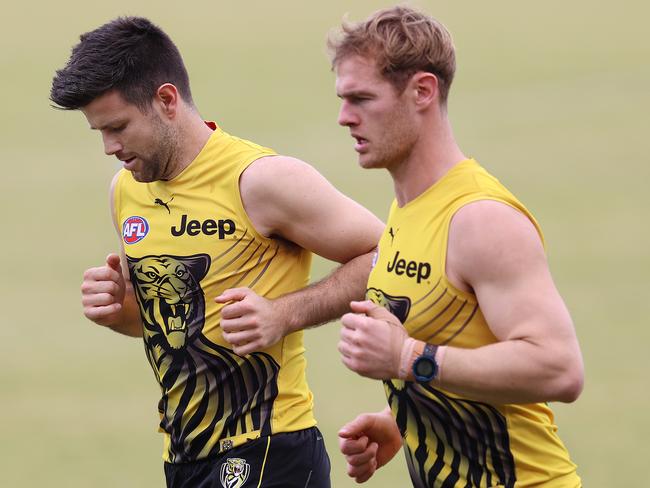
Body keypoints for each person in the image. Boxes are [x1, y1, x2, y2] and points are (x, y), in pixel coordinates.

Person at [50, 17, 384, 488]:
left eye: (119, 126)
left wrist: (283, 313)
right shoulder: (126, 189)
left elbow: (387, 254)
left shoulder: (262, 180)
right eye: (100, 132)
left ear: (166, 100)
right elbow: (169, 330)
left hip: (270, 449)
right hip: (185, 456)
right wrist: (120, 308)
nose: (109, 147)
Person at [329, 6, 585, 487]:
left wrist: (407, 359)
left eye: (362, 99)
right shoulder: (407, 207)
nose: (344, 118)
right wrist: (406, 419)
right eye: (343, 99)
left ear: (422, 91)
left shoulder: (480, 219)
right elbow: (462, 339)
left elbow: (559, 368)